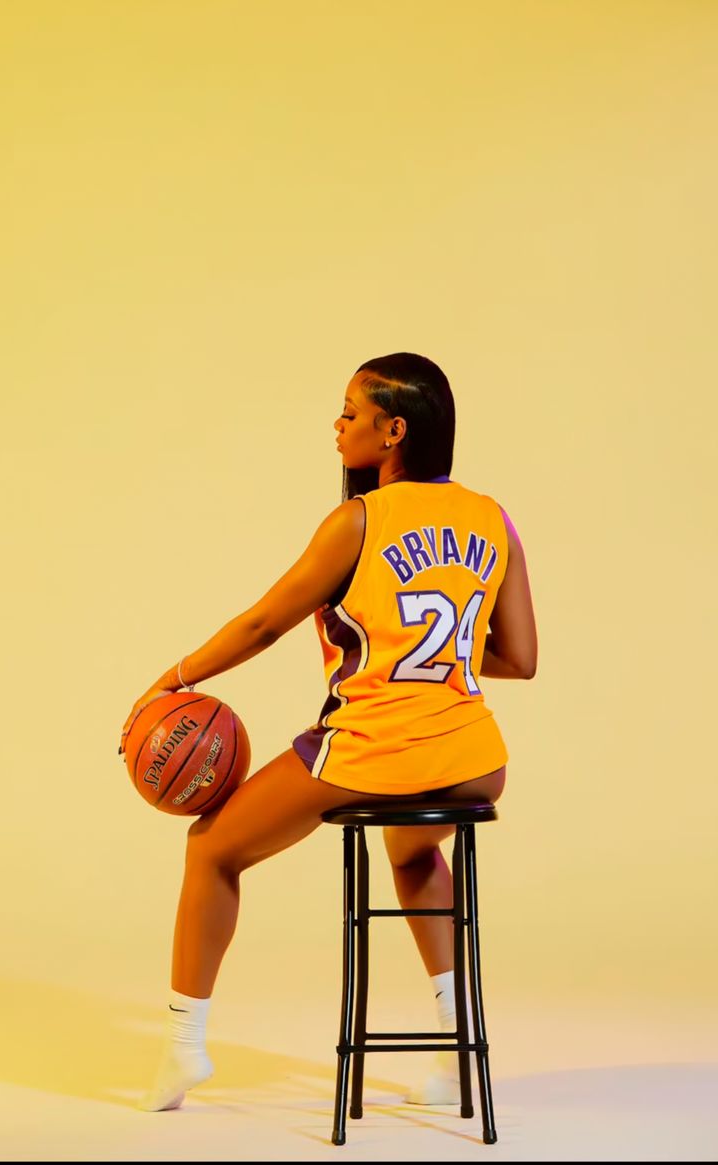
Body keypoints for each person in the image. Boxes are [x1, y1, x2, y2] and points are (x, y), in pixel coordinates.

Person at [119, 352, 537, 1112]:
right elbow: (521, 657)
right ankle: (456, 1055)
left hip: (375, 751)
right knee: (413, 853)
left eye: (351, 412)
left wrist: (174, 678)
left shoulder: (359, 520)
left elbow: (262, 623)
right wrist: (432, 646)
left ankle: (182, 1048)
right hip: (476, 758)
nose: (337, 425)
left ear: (393, 431)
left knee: (212, 847)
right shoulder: (492, 516)